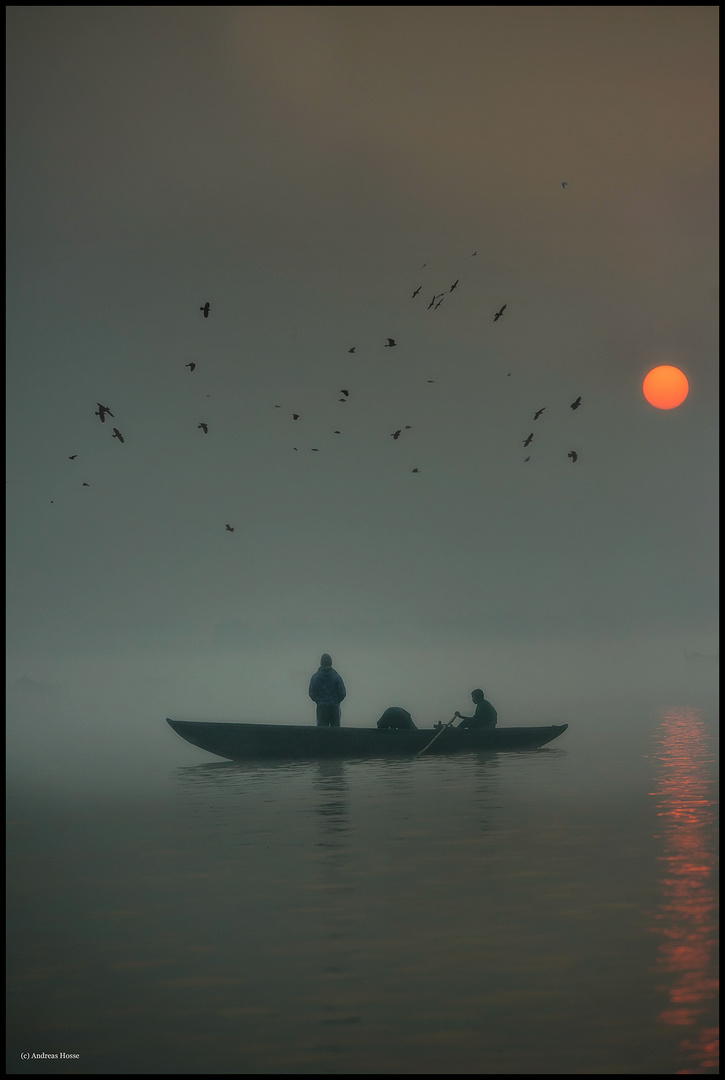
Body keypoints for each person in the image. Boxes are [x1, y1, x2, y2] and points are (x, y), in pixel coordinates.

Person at [308, 653, 346, 727]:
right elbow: (342, 693)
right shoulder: (336, 677)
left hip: (321, 707)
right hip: (334, 707)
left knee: (322, 733)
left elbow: (311, 693)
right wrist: (335, 701)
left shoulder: (315, 677)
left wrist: (318, 700)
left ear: (321, 663)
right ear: (331, 663)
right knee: (335, 733)